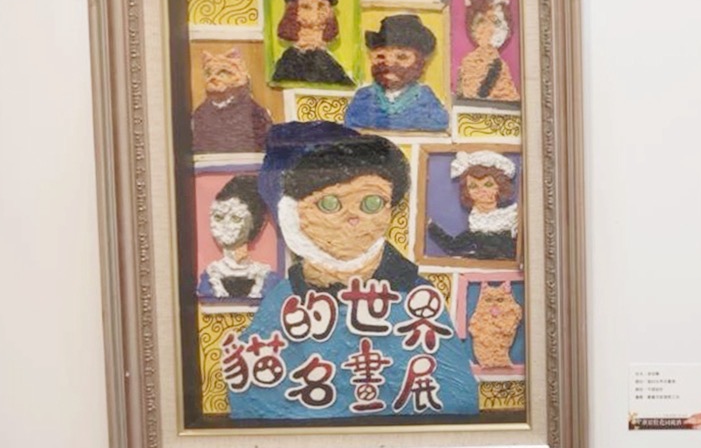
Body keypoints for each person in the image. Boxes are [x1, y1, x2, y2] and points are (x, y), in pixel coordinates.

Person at [224, 122, 477, 420]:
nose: (353, 217)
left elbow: (456, 400)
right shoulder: (282, 303)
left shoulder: (417, 298)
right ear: (291, 214)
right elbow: (249, 399)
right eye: (329, 203)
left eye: (372, 202)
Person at [343, 13, 450, 132]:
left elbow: (438, 125)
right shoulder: (364, 96)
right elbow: (352, 125)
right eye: (381, 56)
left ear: (420, 63)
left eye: (402, 57)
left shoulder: (425, 98)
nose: (389, 64)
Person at [197, 174, 279, 299]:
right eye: (218, 217)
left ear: (255, 223)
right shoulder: (210, 277)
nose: (225, 225)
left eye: (235, 218)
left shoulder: (266, 278)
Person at [426, 151, 519, 260]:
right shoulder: (476, 224)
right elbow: (453, 246)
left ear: (500, 187)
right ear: (467, 191)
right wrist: (430, 225)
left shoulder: (512, 219)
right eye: (473, 186)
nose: (481, 190)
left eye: (488, 184)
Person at [270, 0, 353, 86]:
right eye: (306, 7)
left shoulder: (328, 61)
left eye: (321, 6)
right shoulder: (290, 61)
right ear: (294, 12)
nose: (315, 14)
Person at [192, 47, 273, 154]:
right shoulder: (199, 114)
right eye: (208, 74)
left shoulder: (256, 112)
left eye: (222, 74)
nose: (213, 78)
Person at [455, 0, 519, 101]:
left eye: (498, 24)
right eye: (482, 23)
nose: (492, 30)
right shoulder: (469, 63)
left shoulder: (501, 66)